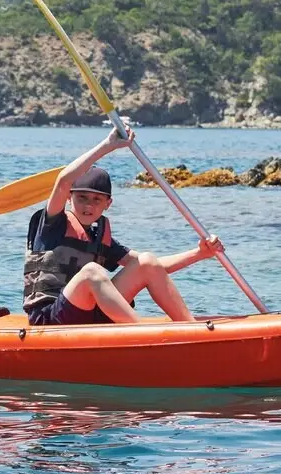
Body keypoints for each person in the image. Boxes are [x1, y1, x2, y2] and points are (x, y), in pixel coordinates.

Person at [23, 129, 224, 326]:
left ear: (107, 204)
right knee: (92, 272)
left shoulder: (100, 238)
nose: (88, 206)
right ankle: (143, 333)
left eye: (96, 199)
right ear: (69, 197)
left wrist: (200, 253)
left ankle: (191, 328)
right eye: (82, 197)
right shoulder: (53, 224)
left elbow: (155, 268)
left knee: (147, 261)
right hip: (50, 318)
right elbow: (63, 181)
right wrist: (108, 145)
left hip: (89, 313)